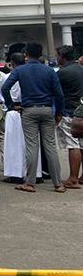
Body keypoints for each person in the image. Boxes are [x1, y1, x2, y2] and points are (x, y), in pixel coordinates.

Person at [1, 42, 66, 194]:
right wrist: (59, 112)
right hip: (47, 109)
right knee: (50, 147)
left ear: (26, 55)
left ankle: (29, 183)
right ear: (40, 55)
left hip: (28, 110)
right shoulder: (49, 71)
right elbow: (59, 94)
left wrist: (11, 105)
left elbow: (5, 88)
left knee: (32, 146)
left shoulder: (21, 70)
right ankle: (58, 184)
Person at [55, 45, 83, 189]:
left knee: (73, 145)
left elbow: (57, 94)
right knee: (82, 144)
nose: (57, 58)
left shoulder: (62, 73)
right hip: (81, 111)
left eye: (58, 55)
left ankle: (73, 178)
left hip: (69, 112)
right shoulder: (81, 69)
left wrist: (58, 112)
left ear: (63, 56)